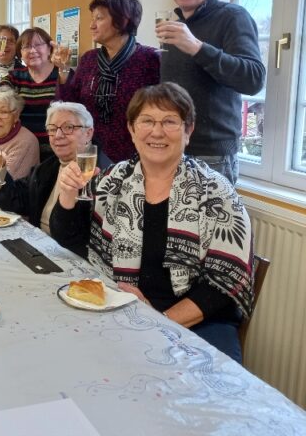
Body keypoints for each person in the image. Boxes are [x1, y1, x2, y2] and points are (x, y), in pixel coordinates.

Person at [51, 83, 254, 363]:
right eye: (146, 121)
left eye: (170, 121)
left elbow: (226, 281)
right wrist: (68, 194)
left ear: (188, 130)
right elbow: (71, 241)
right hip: (117, 306)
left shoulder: (216, 192)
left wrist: (159, 321)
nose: (157, 132)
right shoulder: (113, 180)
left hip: (198, 322)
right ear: (132, 130)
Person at [157, 0, 266, 184]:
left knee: (210, 222)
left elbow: (254, 79)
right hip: (170, 145)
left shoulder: (233, 16)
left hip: (211, 154)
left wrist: (197, 47)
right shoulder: (175, 26)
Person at [58, 0, 160, 163]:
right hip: (91, 155)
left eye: (99, 18)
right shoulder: (89, 59)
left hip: (137, 157)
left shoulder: (150, 59)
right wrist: (63, 70)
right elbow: (71, 106)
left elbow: (160, 112)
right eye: (92, 18)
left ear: (123, 21)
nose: (91, 25)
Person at [0, 102, 93, 237]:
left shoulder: (104, 175)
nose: (58, 135)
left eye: (68, 127)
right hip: (38, 245)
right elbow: (13, 201)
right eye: (52, 129)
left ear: (88, 133)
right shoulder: (46, 168)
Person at [0, 27, 68, 160]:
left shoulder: (62, 73)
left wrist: (64, 70)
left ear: (49, 49)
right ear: (21, 53)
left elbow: (71, 103)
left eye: (37, 45)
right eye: (26, 47)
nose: (32, 50)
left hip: (58, 151)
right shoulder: (15, 76)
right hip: (24, 150)